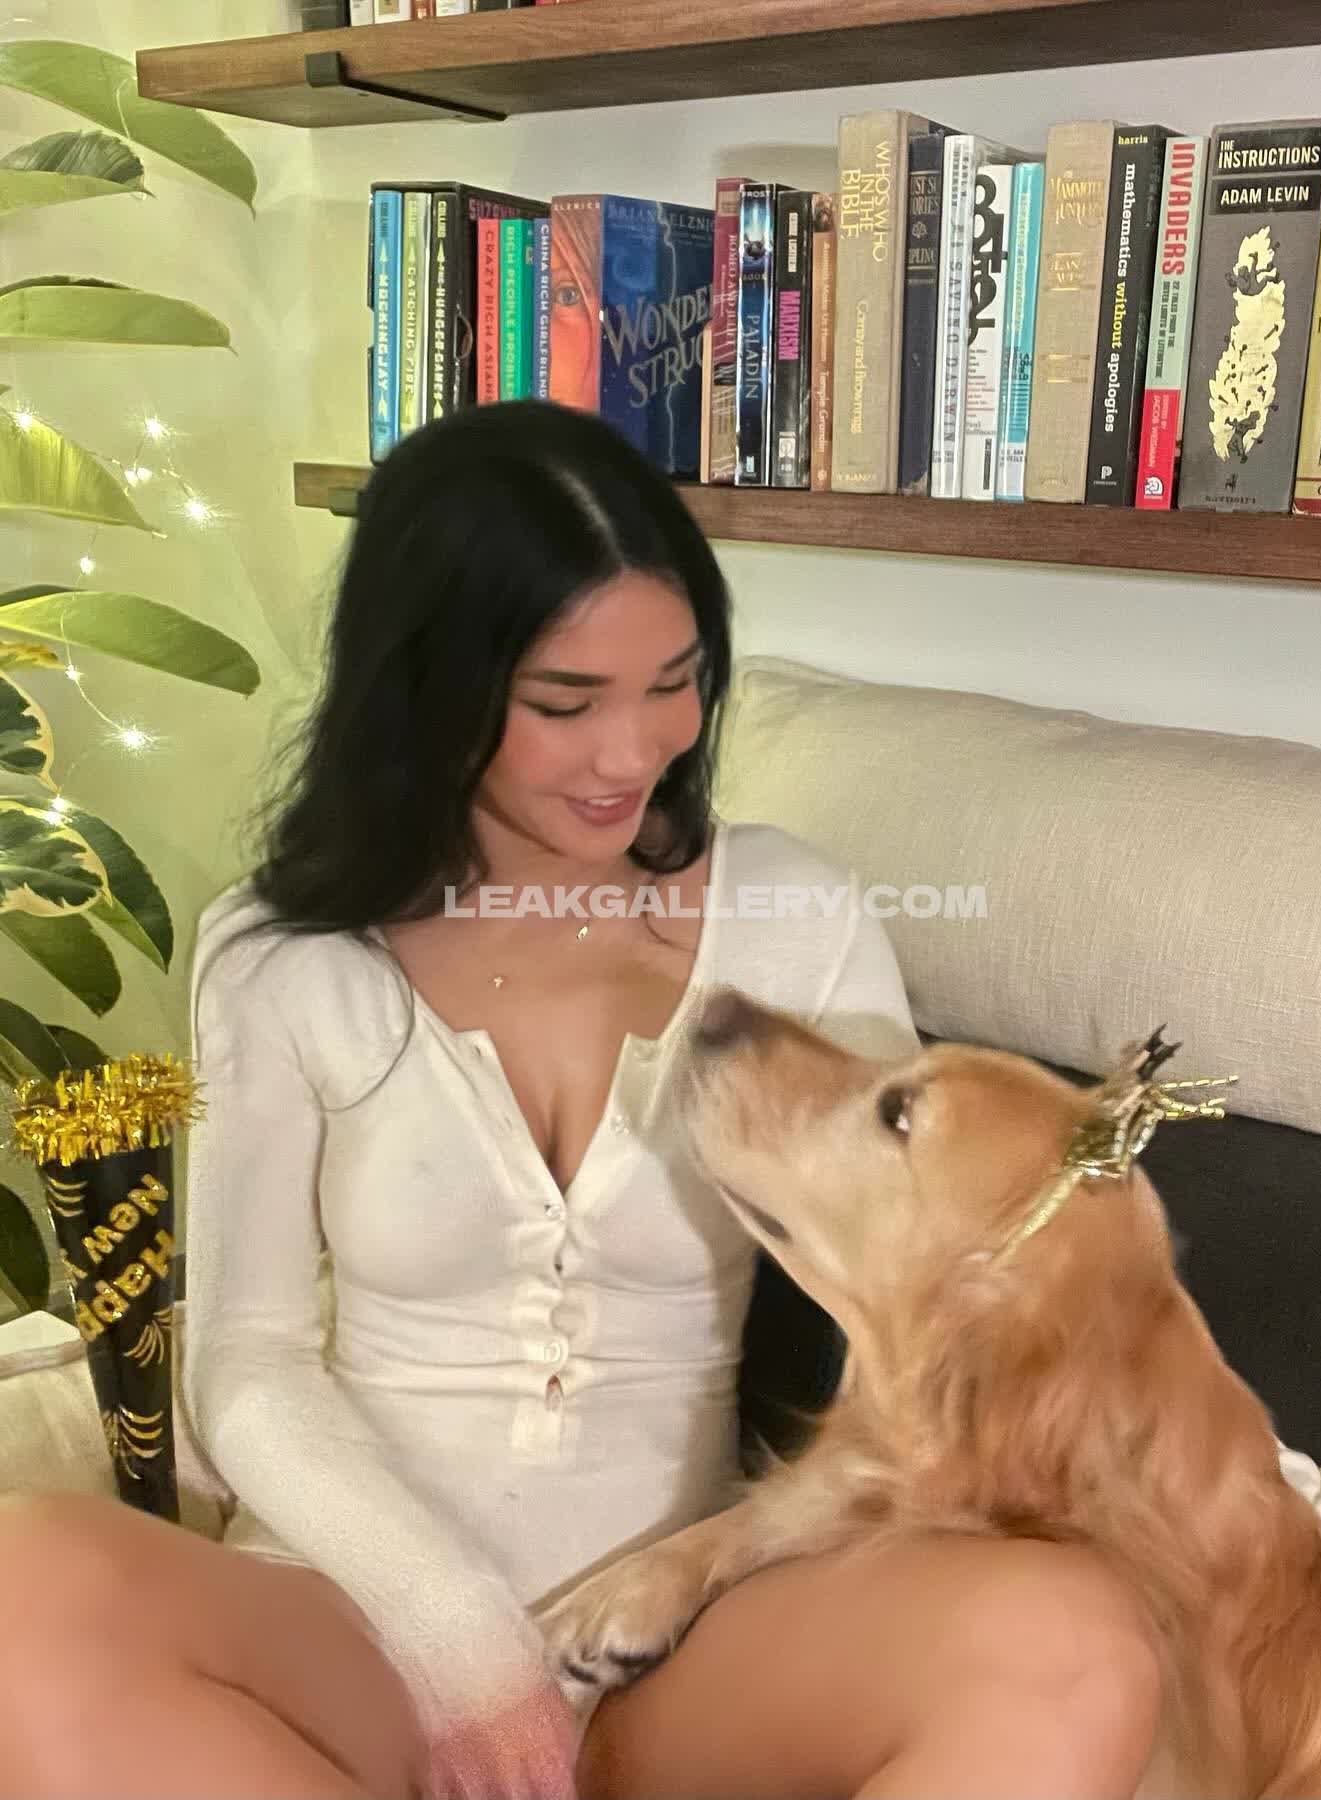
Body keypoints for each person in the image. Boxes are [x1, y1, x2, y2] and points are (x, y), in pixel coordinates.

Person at [0, 402, 1164, 1800]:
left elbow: (930, 1286)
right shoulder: (281, 953)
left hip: (680, 1650)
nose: (633, 752)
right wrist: (467, 1652)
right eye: (566, 703)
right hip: (359, 1627)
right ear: (431, 689)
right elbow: (245, 1363)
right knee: (25, 1589)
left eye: (674, 683)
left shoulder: (794, 920)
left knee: (1080, 1645)